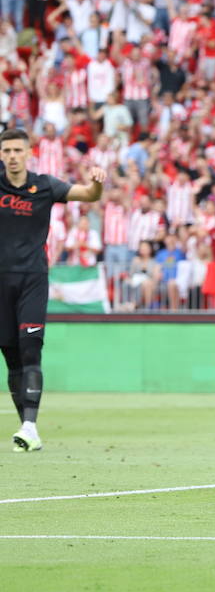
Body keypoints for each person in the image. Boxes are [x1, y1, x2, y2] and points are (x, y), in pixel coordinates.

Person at [0, 128, 107, 452]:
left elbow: (89, 195)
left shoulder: (45, 185)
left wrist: (98, 182)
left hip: (33, 278)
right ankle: (28, 428)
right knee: (12, 359)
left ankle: (30, 426)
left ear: (29, 152)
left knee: (31, 348)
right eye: (7, 151)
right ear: (1, 155)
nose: (13, 156)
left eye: (18, 150)